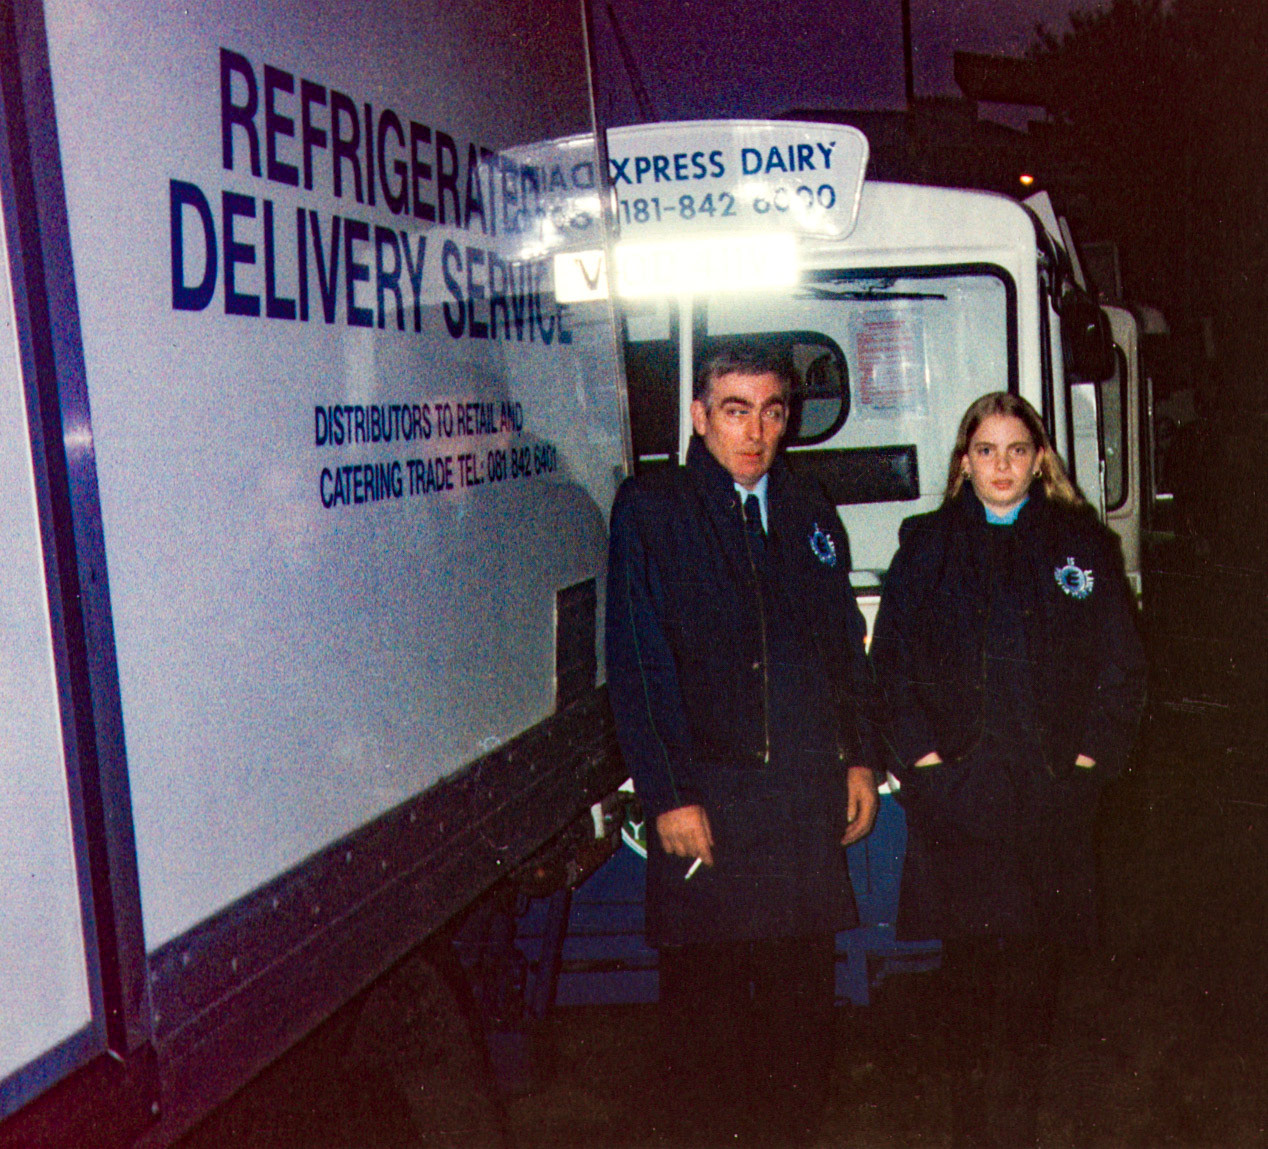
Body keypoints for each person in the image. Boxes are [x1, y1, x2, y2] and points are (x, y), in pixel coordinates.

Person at [605, 344, 880, 1145]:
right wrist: (668, 795)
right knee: (708, 1036)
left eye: (772, 410)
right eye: (734, 409)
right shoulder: (653, 510)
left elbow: (842, 647)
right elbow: (637, 659)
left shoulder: (806, 507)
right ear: (699, 416)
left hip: (799, 809)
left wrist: (860, 754)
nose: (755, 430)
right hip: (710, 808)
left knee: (801, 1029)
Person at [870, 392, 1147, 1148]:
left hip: (1048, 798)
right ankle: (970, 1133)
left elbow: (1122, 668)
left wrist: (1087, 764)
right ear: (965, 460)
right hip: (958, 800)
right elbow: (888, 669)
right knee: (967, 984)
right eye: (986, 450)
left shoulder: (1079, 543)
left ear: (1039, 458)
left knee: (1033, 983)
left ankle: (1017, 1132)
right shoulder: (926, 545)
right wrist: (925, 768)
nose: (1001, 465)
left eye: (1017, 449)